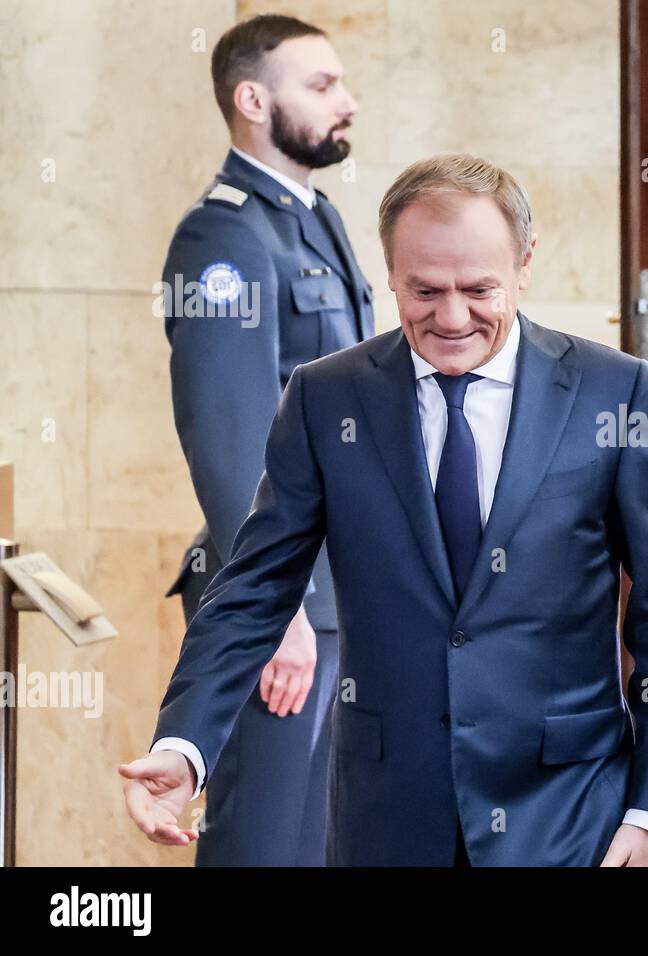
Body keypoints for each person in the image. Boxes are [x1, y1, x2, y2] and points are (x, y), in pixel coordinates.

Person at [121, 154, 648, 866]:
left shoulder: (614, 393)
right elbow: (252, 593)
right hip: (387, 819)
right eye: (425, 290)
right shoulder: (326, 398)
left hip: (568, 816)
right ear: (390, 271)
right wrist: (184, 747)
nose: (453, 318)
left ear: (525, 264)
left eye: (479, 289)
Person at [152, 14, 372, 865]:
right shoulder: (225, 238)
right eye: (321, 86)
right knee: (264, 843)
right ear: (252, 101)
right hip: (280, 599)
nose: (346, 103)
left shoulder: (312, 219)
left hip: (329, 589)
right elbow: (229, 437)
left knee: (316, 843)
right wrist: (272, 607)